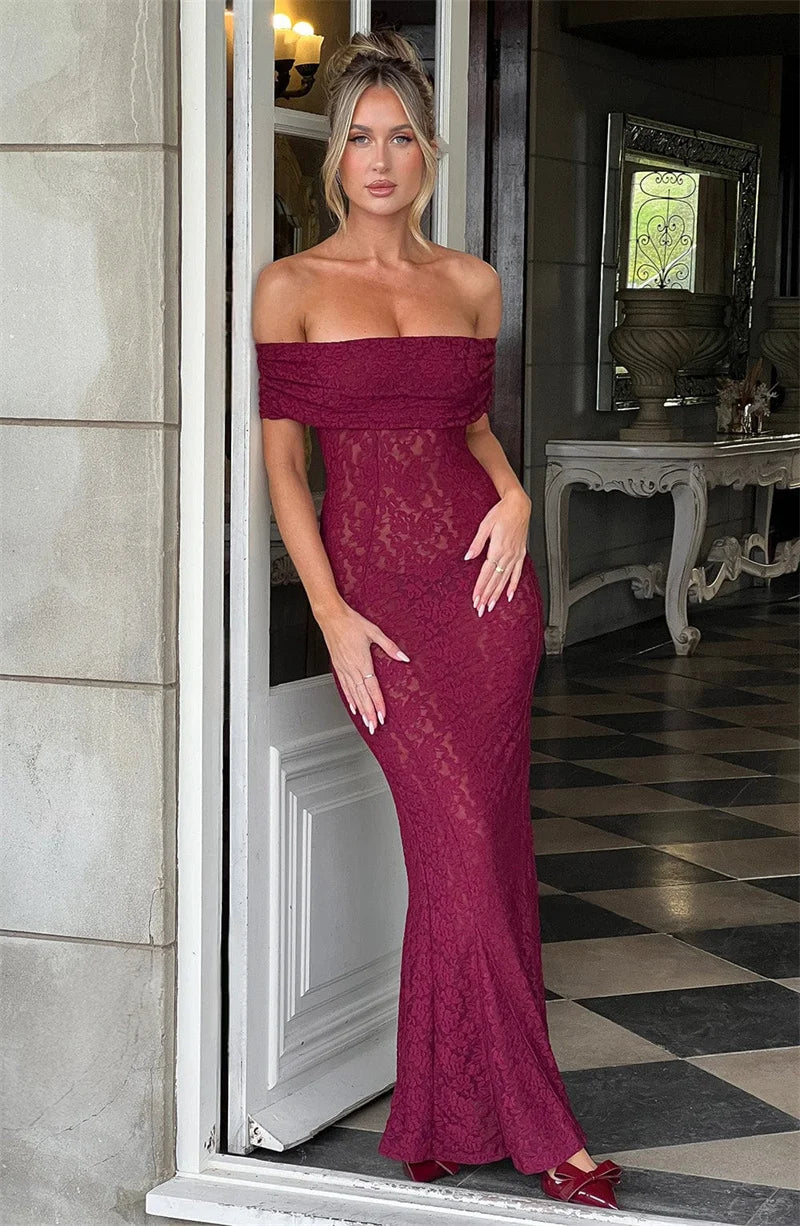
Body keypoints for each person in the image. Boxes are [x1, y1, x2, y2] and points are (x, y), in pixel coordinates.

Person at [253, 28, 622, 1212]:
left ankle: (438, 1107)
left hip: (481, 593)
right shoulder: (291, 285)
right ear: (333, 157)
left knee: (482, 851)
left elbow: (461, 427)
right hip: (377, 609)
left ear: (425, 152)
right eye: (357, 136)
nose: (378, 157)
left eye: (398, 136)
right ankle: (537, 1123)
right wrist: (333, 616)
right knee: (455, 848)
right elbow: (285, 471)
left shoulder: (470, 281)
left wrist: (514, 493)